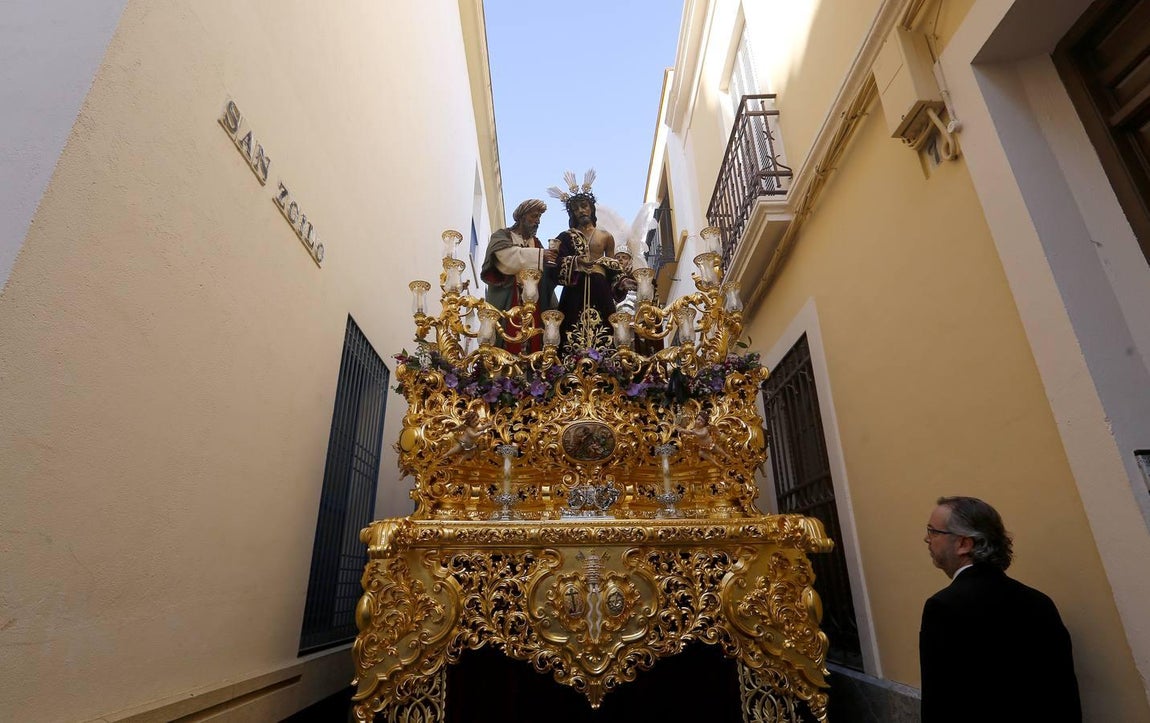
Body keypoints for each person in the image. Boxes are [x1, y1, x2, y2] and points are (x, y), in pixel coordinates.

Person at [919, 496, 1081, 722]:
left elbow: (941, 700)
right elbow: (1064, 693)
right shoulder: (1039, 602)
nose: (927, 539)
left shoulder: (944, 606)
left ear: (964, 544)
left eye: (934, 531)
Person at [547, 170, 635, 350]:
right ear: (572, 213)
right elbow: (554, 265)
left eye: (584, 206)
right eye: (576, 208)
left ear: (591, 208)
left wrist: (622, 282)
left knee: (605, 330)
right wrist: (576, 262)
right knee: (570, 330)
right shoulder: (565, 237)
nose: (581, 210)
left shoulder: (606, 237)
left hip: (600, 286)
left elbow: (613, 268)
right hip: (575, 288)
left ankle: (607, 365)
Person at [480, 199, 558, 353]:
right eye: (534, 217)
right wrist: (540, 256)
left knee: (533, 343)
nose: (537, 222)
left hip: (533, 304)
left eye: (539, 218)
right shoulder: (502, 236)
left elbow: (545, 276)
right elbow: (506, 258)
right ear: (522, 217)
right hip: (509, 298)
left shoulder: (536, 243)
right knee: (502, 341)